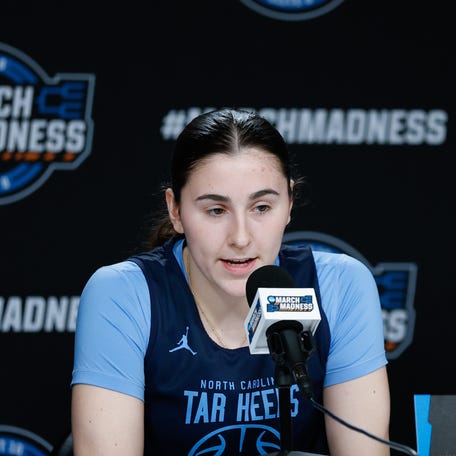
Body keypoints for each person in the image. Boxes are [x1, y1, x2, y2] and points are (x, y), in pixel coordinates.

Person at [71, 108, 390, 455]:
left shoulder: (340, 285)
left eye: (262, 207)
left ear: (289, 203)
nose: (240, 237)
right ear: (175, 210)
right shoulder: (122, 293)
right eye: (216, 210)